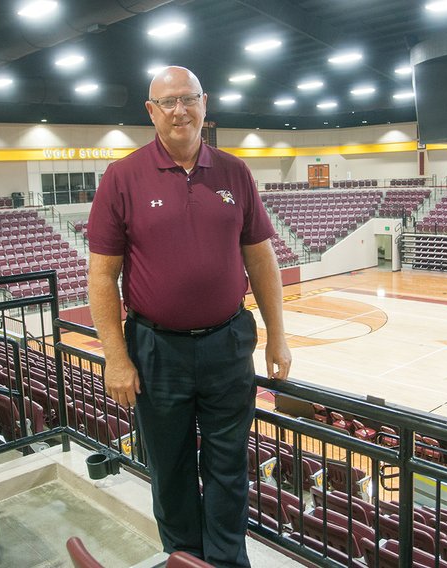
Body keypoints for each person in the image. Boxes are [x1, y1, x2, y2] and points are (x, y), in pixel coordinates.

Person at [87, 66, 291, 567]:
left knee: (228, 468)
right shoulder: (122, 177)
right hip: (157, 351)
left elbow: (261, 260)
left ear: (205, 103)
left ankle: (225, 562)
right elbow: (100, 277)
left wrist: (277, 337)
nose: (180, 110)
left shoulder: (235, 172)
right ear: (151, 112)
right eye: (168, 102)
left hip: (228, 344)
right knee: (171, 469)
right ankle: (183, 559)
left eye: (188, 99)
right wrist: (116, 358)